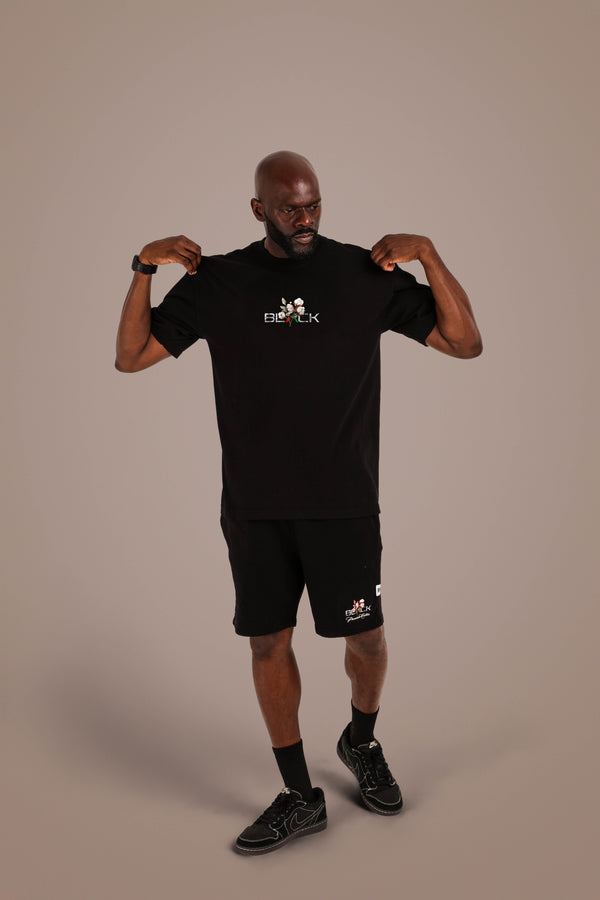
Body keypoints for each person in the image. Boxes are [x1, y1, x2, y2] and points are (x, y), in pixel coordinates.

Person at [115, 150, 482, 855]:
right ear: (260, 210)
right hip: (256, 507)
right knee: (269, 642)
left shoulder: (361, 275)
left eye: (313, 205)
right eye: (290, 209)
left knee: (365, 638)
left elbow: (465, 343)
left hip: (344, 502)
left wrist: (430, 254)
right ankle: (299, 796)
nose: (305, 219)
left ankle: (360, 740)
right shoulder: (220, 281)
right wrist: (142, 267)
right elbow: (131, 355)